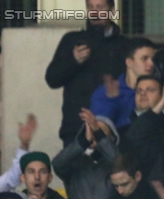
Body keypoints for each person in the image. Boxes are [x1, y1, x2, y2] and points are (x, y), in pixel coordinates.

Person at [44, 0, 126, 143]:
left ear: (112, 11)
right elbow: (52, 79)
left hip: (111, 127)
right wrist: (73, 60)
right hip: (75, 127)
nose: (94, 12)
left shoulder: (123, 45)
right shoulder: (72, 40)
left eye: (100, 7)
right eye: (90, 7)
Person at [89, 38, 156, 132]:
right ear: (129, 62)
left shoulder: (158, 90)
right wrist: (112, 101)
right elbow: (99, 129)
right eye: (145, 59)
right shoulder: (106, 92)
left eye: (153, 59)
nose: (151, 63)